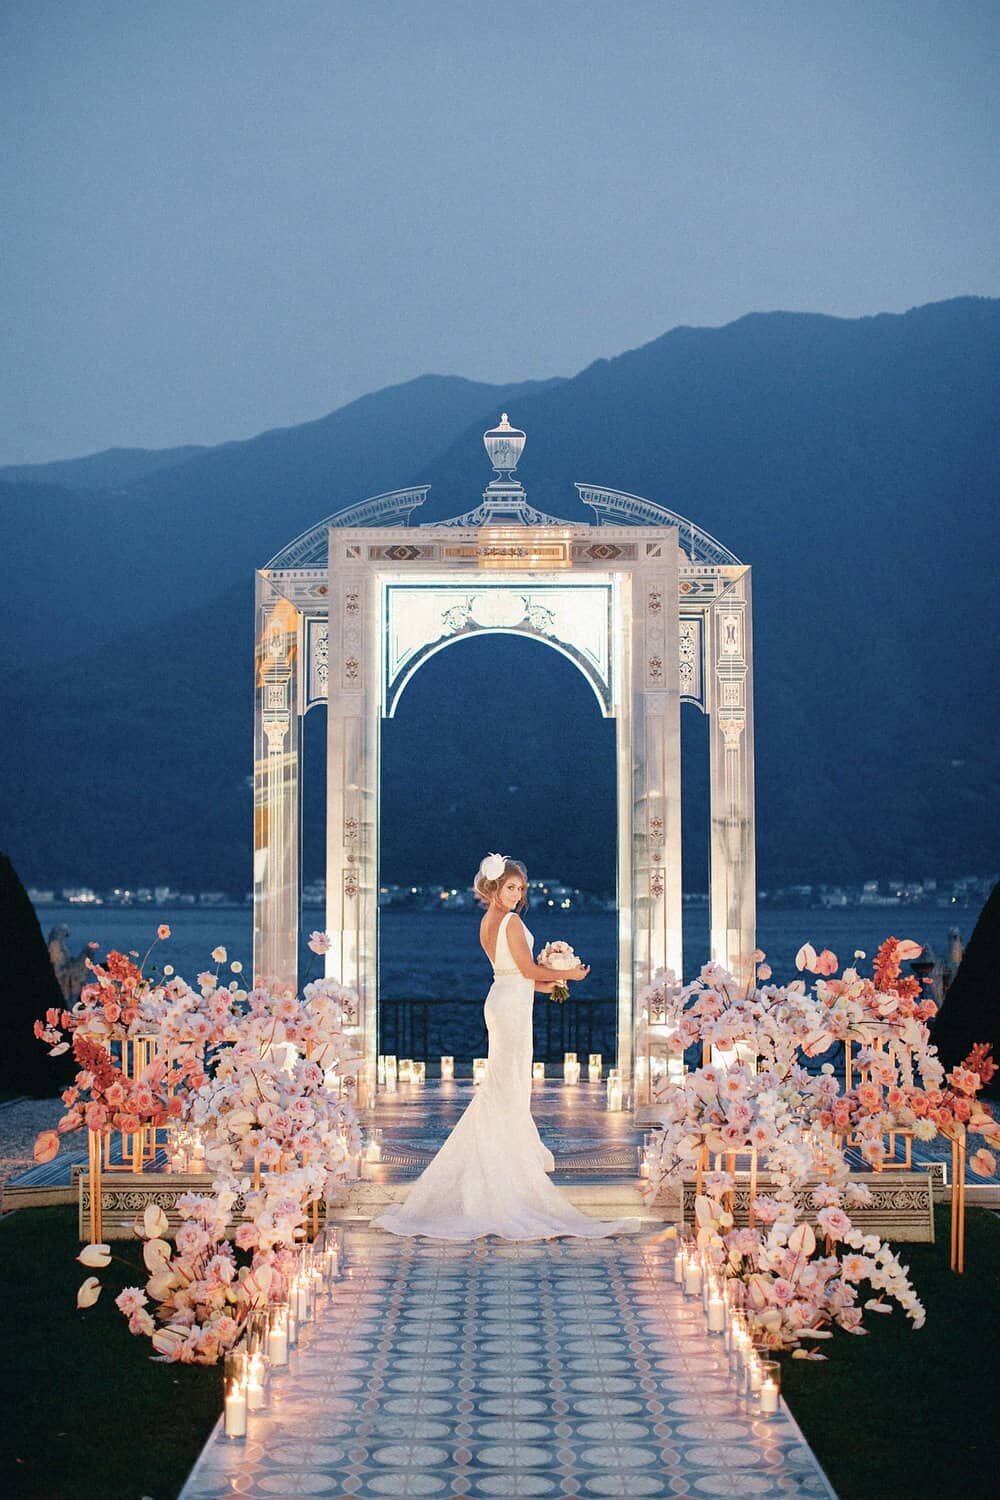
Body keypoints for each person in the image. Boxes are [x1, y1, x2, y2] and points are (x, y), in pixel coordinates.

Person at [372, 853, 636, 1240]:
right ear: (494, 888)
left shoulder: (488, 922)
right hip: (510, 1006)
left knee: (505, 1086)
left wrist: (553, 984)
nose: (517, 894)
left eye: (521, 889)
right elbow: (527, 971)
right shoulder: (509, 920)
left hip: (505, 998)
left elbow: (514, 974)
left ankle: (503, 1158)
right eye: (511, 887)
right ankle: (504, 1169)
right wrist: (570, 974)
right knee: (507, 1087)